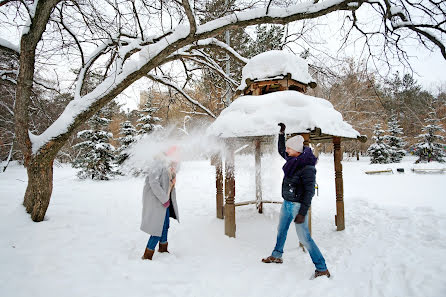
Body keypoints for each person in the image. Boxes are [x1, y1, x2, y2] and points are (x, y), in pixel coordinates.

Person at [261, 123, 330, 279]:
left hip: (298, 206)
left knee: (305, 238)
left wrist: (302, 213)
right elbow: (281, 149)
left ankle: (322, 268)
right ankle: (277, 255)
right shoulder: (294, 159)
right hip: (287, 203)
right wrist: (281, 133)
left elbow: (309, 192)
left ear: (297, 150)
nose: (286, 151)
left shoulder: (307, 167)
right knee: (281, 230)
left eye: (289, 149)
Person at [141, 146, 180, 260]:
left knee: (165, 225)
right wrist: (164, 199)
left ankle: (163, 249)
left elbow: (169, 179)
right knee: (158, 226)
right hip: (157, 200)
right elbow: (154, 183)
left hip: (165, 200)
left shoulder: (169, 164)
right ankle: (147, 255)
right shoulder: (157, 163)